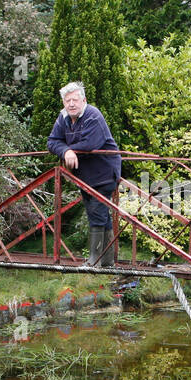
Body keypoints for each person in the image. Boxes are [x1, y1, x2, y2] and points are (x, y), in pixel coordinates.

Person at [46, 81, 122, 267]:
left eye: (75, 100)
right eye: (67, 100)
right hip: (85, 176)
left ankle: (95, 261)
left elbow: (90, 144)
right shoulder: (63, 117)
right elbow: (52, 141)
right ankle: (107, 261)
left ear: (84, 100)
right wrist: (65, 151)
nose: (71, 104)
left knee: (97, 213)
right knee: (98, 213)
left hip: (104, 172)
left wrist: (67, 149)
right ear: (63, 102)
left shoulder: (92, 116)